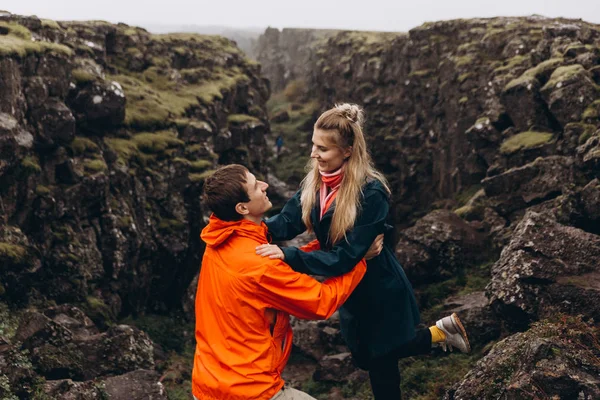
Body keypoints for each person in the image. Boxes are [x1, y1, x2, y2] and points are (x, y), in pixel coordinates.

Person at [256, 104, 471, 400]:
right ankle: (439, 334)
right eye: (313, 145)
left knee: (382, 362)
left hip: (379, 288)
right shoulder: (315, 184)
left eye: (323, 148)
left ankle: (439, 335)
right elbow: (288, 221)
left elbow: (345, 257)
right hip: (349, 289)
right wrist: (248, 230)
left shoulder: (371, 194)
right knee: (365, 355)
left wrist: (289, 256)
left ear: (347, 151)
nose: (313, 154)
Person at [192, 164, 382, 400]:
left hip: (208, 384)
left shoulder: (219, 239)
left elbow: (268, 270)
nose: (265, 185)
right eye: (255, 186)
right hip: (248, 390)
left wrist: (325, 248)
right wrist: (357, 258)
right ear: (242, 207)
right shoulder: (258, 265)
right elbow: (321, 302)